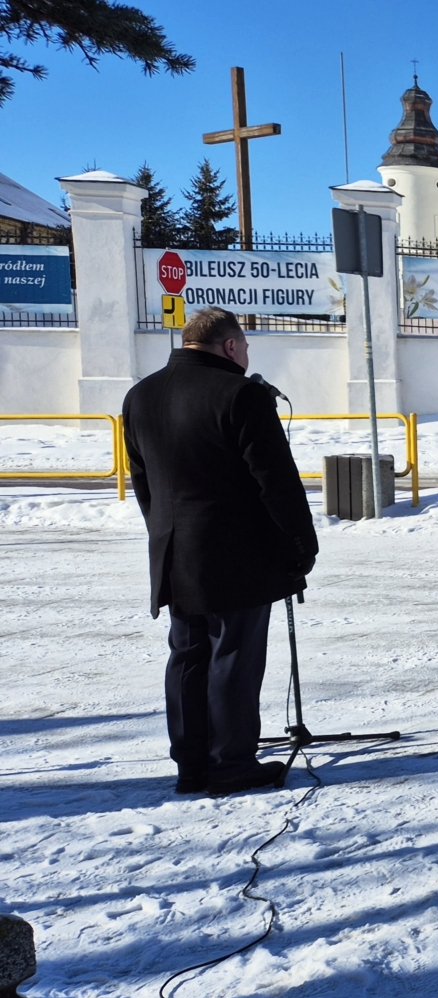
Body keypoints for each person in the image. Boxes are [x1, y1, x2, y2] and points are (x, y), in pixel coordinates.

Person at [122, 307, 314, 796]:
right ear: (230, 346)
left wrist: (163, 530)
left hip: (173, 550)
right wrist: (300, 544)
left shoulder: (140, 395)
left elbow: (142, 481)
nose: (247, 355)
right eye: (245, 346)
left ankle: (191, 764)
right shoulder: (241, 394)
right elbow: (275, 480)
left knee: (187, 656)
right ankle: (229, 764)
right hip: (237, 553)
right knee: (233, 655)